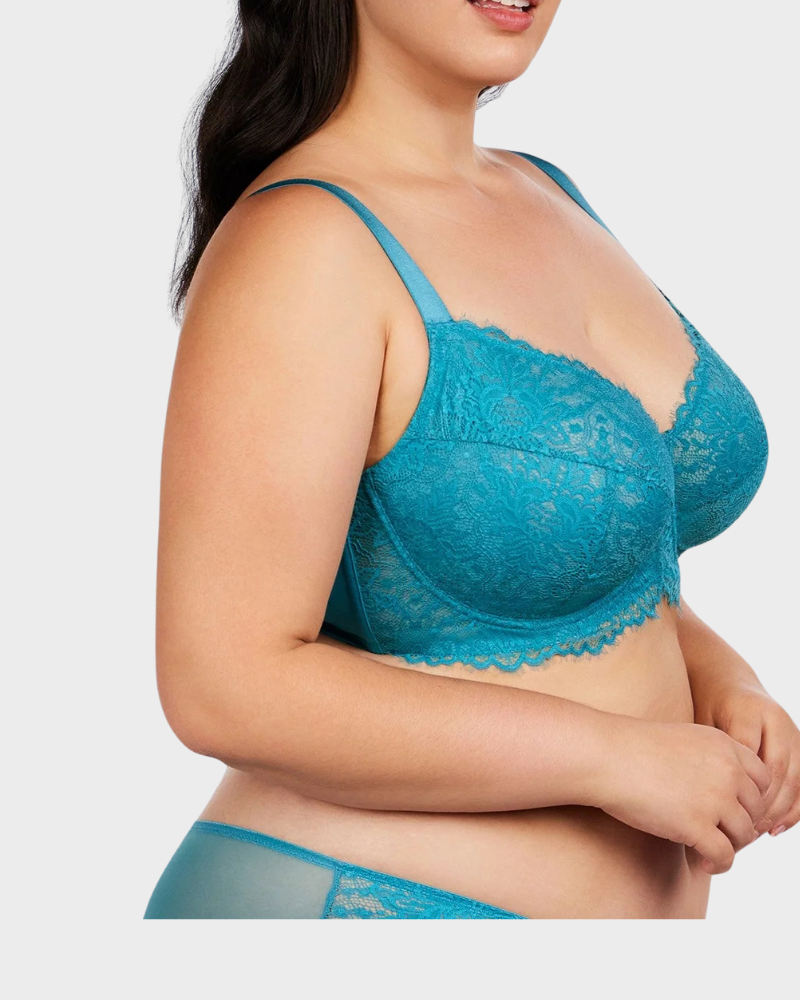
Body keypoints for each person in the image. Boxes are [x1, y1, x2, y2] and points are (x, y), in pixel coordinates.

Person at [144, 0, 799, 919]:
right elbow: (224, 686)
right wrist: (612, 757)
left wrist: (720, 676)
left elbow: (604, 561)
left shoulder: (548, 190)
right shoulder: (304, 241)